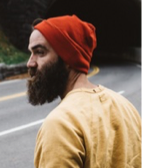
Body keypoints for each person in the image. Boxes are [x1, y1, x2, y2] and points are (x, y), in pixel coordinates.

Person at [27, 14, 142, 168]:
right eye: (31, 52)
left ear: (68, 58)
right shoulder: (127, 108)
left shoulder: (61, 124)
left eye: (40, 52)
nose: (30, 63)